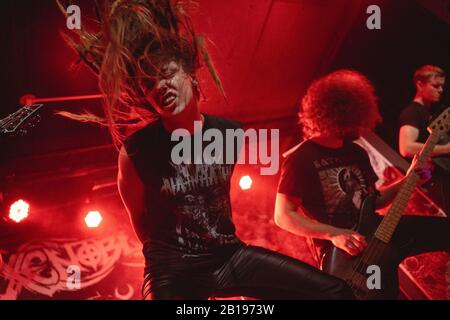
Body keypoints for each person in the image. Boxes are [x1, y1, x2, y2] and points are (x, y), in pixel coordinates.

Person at [61, 0, 353, 300]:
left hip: (228, 257)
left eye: (167, 73)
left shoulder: (230, 133)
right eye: (148, 83)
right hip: (172, 271)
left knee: (336, 292)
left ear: (191, 74)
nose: (159, 86)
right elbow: (141, 224)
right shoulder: (136, 152)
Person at [274, 69, 449, 298]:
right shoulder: (301, 158)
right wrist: (334, 235)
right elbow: (283, 216)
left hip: (376, 231)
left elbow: (373, 201)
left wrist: (408, 181)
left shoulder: (357, 153)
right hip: (345, 256)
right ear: (339, 115)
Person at [398, 65, 450, 214]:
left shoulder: (429, 112)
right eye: (435, 86)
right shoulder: (412, 112)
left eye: (442, 86)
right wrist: (446, 149)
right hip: (428, 184)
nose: (440, 90)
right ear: (420, 84)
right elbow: (406, 147)